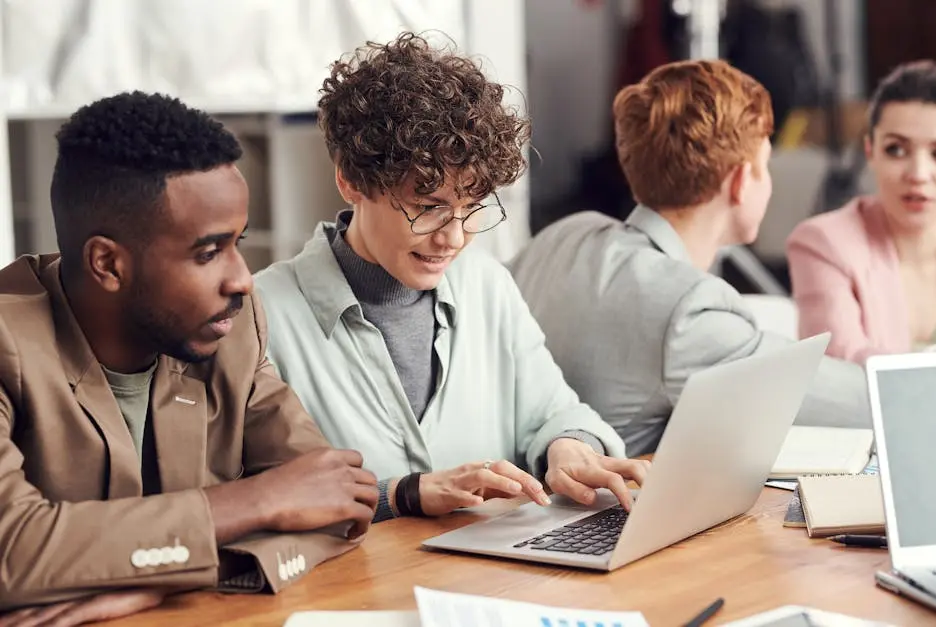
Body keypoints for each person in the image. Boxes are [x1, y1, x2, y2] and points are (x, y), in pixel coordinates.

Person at [0, 92, 378, 624]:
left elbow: (338, 503)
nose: (242, 278)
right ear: (107, 263)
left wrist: (147, 583)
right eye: (208, 252)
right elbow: (12, 550)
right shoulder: (6, 339)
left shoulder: (231, 326)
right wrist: (259, 501)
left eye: (238, 243)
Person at [254, 32, 649, 524]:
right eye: (428, 208)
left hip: (492, 584)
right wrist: (400, 493)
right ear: (350, 180)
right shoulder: (262, 315)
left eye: (473, 207)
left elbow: (555, 412)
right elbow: (254, 498)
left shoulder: (486, 284)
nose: (455, 238)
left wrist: (568, 448)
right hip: (353, 593)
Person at [509, 59, 870, 458]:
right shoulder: (688, 311)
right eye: (764, 167)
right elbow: (864, 404)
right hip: (605, 512)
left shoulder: (566, 233)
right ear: (739, 182)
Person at [787, 60, 936, 363]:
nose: (918, 173)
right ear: (870, 152)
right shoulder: (823, 243)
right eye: (896, 149)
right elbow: (845, 368)